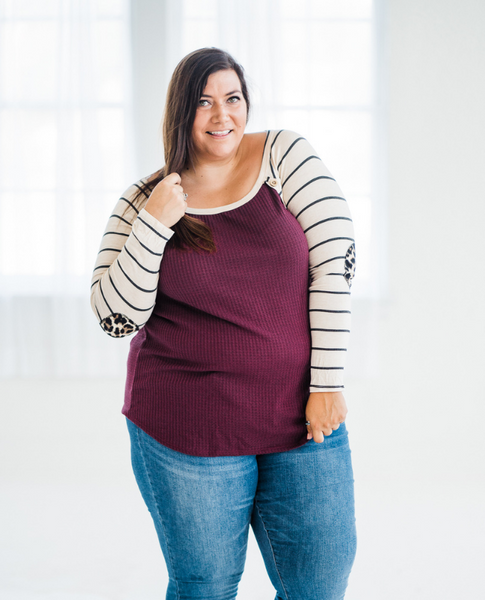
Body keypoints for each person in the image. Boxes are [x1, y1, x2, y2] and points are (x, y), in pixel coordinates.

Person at [91, 47, 357, 600]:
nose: (222, 115)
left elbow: (336, 262)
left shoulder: (284, 156)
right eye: (204, 102)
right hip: (187, 430)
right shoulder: (144, 200)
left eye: (232, 98)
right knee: (206, 588)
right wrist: (154, 225)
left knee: (319, 586)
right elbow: (117, 318)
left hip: (302, 418)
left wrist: (327, 382)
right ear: (180, 112)